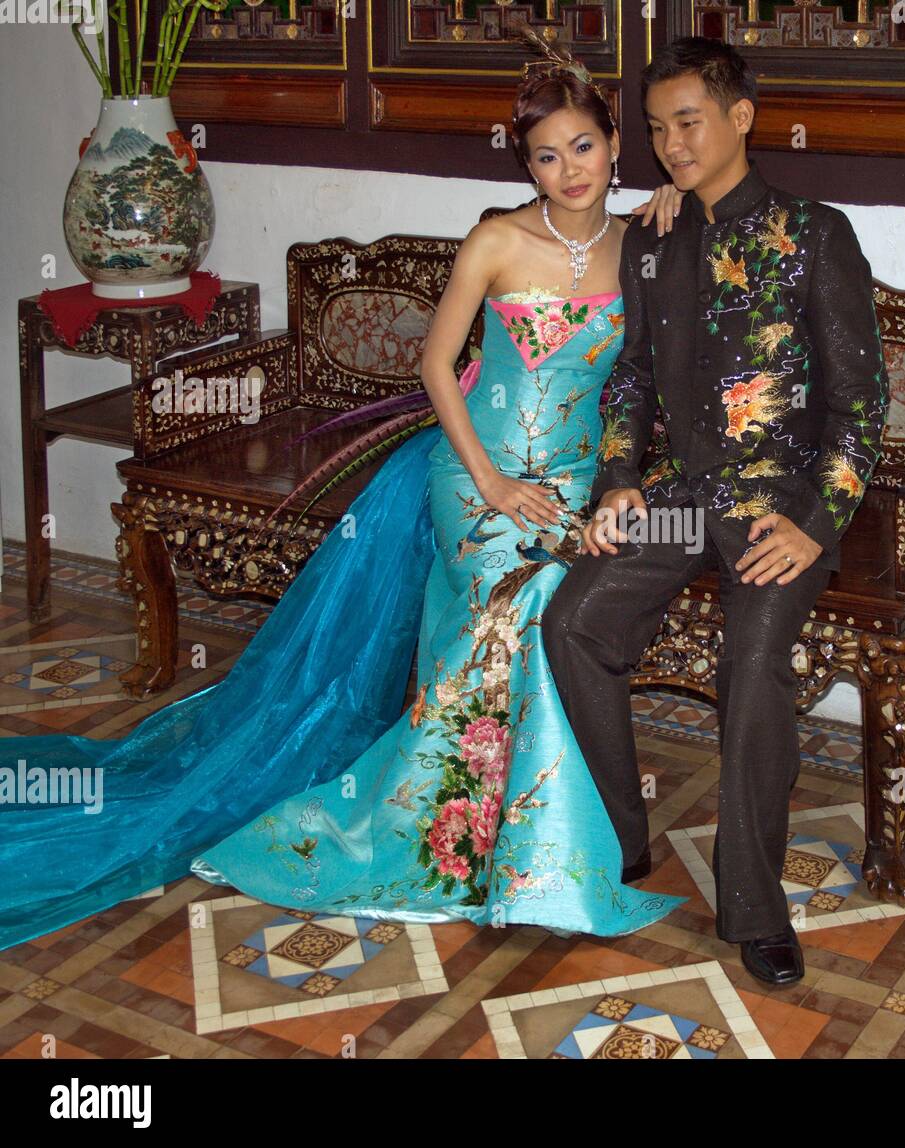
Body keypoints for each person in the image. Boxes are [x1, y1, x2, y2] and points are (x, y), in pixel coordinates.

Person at [0, 32, 690, 952]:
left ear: (614, 143)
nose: (568, 169)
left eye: (585, 146)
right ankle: (455, 843)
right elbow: (438, 366)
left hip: (570, 481)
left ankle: (538, 841)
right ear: (525, 162)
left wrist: (680, 198)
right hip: (472, 474)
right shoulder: (496, 239)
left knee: (564, 606)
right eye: (545, 154)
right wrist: (489, 483)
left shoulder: (643, 242)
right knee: (510, 609)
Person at [542, 36, 889, 985]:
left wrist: (818, 524)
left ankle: (755, 905)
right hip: (683, 501)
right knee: (574, 618)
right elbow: (635, 377)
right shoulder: (654, 238)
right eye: (656, 129)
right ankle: (622, 841)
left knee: (751, 659)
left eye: (688, 121)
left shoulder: (817, 235)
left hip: (783, 503)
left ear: (742, 117)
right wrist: (619, 480)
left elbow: (863, 403)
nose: (672, 145)